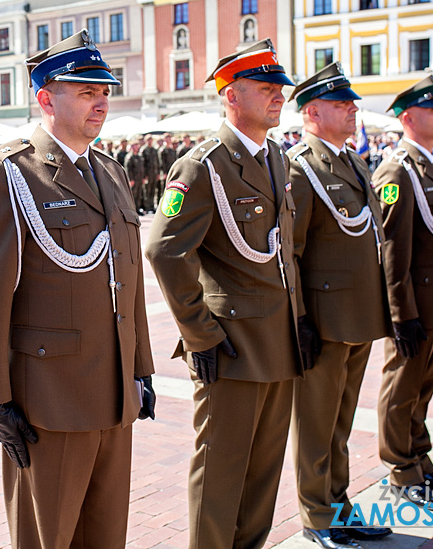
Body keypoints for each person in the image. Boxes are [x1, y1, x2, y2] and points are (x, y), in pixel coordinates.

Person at [0, 30, 155, 549]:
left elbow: (129, 278)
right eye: (86, 92)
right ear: (46, 98)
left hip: (113, 393)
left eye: (105, 92)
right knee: (47, 536)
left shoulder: (110, 171)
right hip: (49, 398)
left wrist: (141, 368)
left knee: (106, 534)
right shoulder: (11, 170)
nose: (102, 103)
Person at [145, 39, 302, 549]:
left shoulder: (276, 157)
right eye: (266, 89)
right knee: (221, 472)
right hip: (230, 346)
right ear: (232, 96)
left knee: (262, 475)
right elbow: (165, 251)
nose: (279, 97)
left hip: (279, 339)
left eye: (280, 89)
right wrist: (199, 334)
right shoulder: (202, 165)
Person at [286, 64, 392, 547]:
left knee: (341, 422)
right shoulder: (301, 167)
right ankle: (317, 516)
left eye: (352, 103)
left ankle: (339, 503)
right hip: (324, 322)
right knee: (316, 426)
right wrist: (301, 320)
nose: (353, 108)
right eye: (341, 103)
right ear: (312, 112)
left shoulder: (351, 161)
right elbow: (293, 252)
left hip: (357, 315)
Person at [373, 76, 433, 510]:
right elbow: (392, 249)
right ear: (408, 118)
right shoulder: (397, 169)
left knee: (423, 388)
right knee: (402, 389)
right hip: (416, 304)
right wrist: (400, 313)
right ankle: (399, 468)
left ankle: (419, 459)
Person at [123, 139, 146, 214]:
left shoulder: (139, 156)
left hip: (139, 178)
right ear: (132, 147)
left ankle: (138, 208)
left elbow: (142, 168)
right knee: (133, 195)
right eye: (135, 146)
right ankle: (132, 210)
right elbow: (128, 169)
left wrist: (143, 177)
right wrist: (130, 179)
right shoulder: (129, 157)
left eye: (137, 145)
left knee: (139, 194)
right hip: (134, 179)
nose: (137, 147)